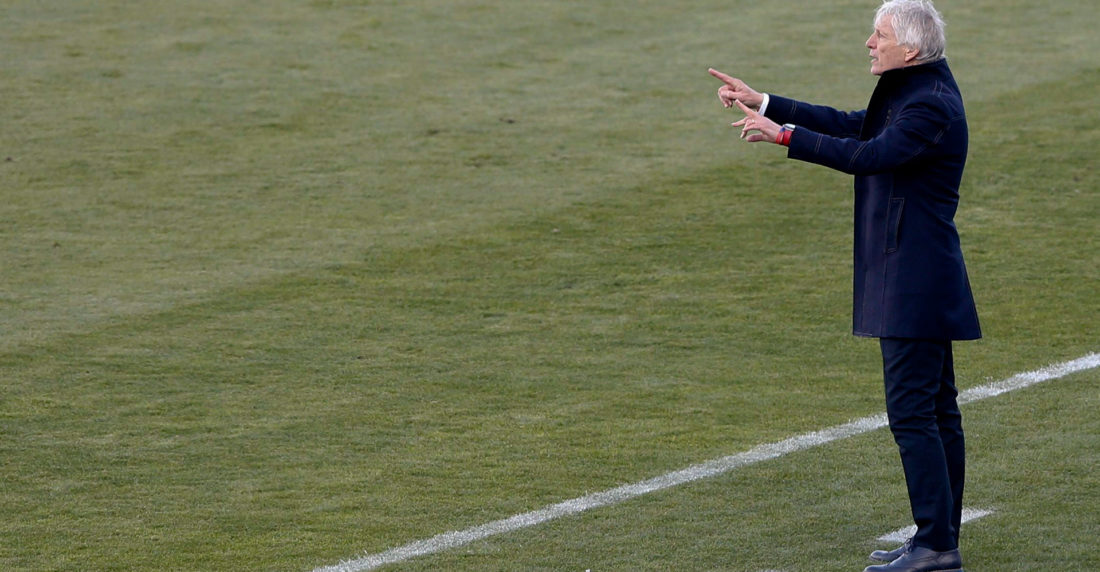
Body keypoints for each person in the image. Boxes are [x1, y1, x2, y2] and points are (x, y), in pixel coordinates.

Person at [708, 1, 980, 571]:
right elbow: (856, 123)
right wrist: (766, 102)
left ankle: (936, 545)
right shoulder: (919, 88)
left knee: (916, 413)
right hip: (917, 274)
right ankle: (937, 538)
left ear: (910, 49)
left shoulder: (929, 102)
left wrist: (784, 137)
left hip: (914, 280)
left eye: (878, 35)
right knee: (935, 410)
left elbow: (870, 154)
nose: (869, 43)